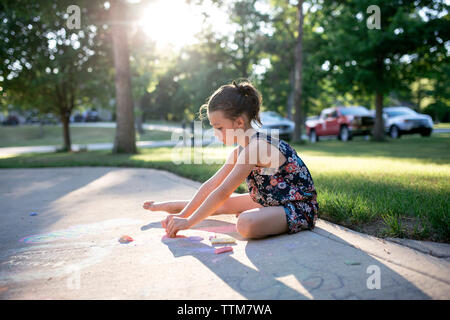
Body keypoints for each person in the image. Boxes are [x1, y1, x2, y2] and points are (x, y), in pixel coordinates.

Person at [143, 80, 319, 239]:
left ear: (239, 123)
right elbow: (211, 186)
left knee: (244, 223)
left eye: (219, 127)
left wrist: (189, 222)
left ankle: (261, 214)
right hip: (270, 200)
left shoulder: (257, 147)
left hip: (299, 208)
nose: (215, 133)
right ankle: (172, 209)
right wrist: (183, 217)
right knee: (218, 205)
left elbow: (223, 191)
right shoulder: (239, 151)